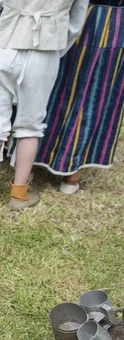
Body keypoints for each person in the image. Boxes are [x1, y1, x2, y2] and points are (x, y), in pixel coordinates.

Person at [0, 0, 89, 211]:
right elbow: (75, 24)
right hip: (44, 53)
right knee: (30, 126)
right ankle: (18, 195)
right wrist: (55, 50)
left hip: (3, 48)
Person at [22, 0, 124, 194]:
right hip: (115, 24)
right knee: (97, 96)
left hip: (82, 17)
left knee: (58, 88)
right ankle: (71, 176)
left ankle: (31, 164)